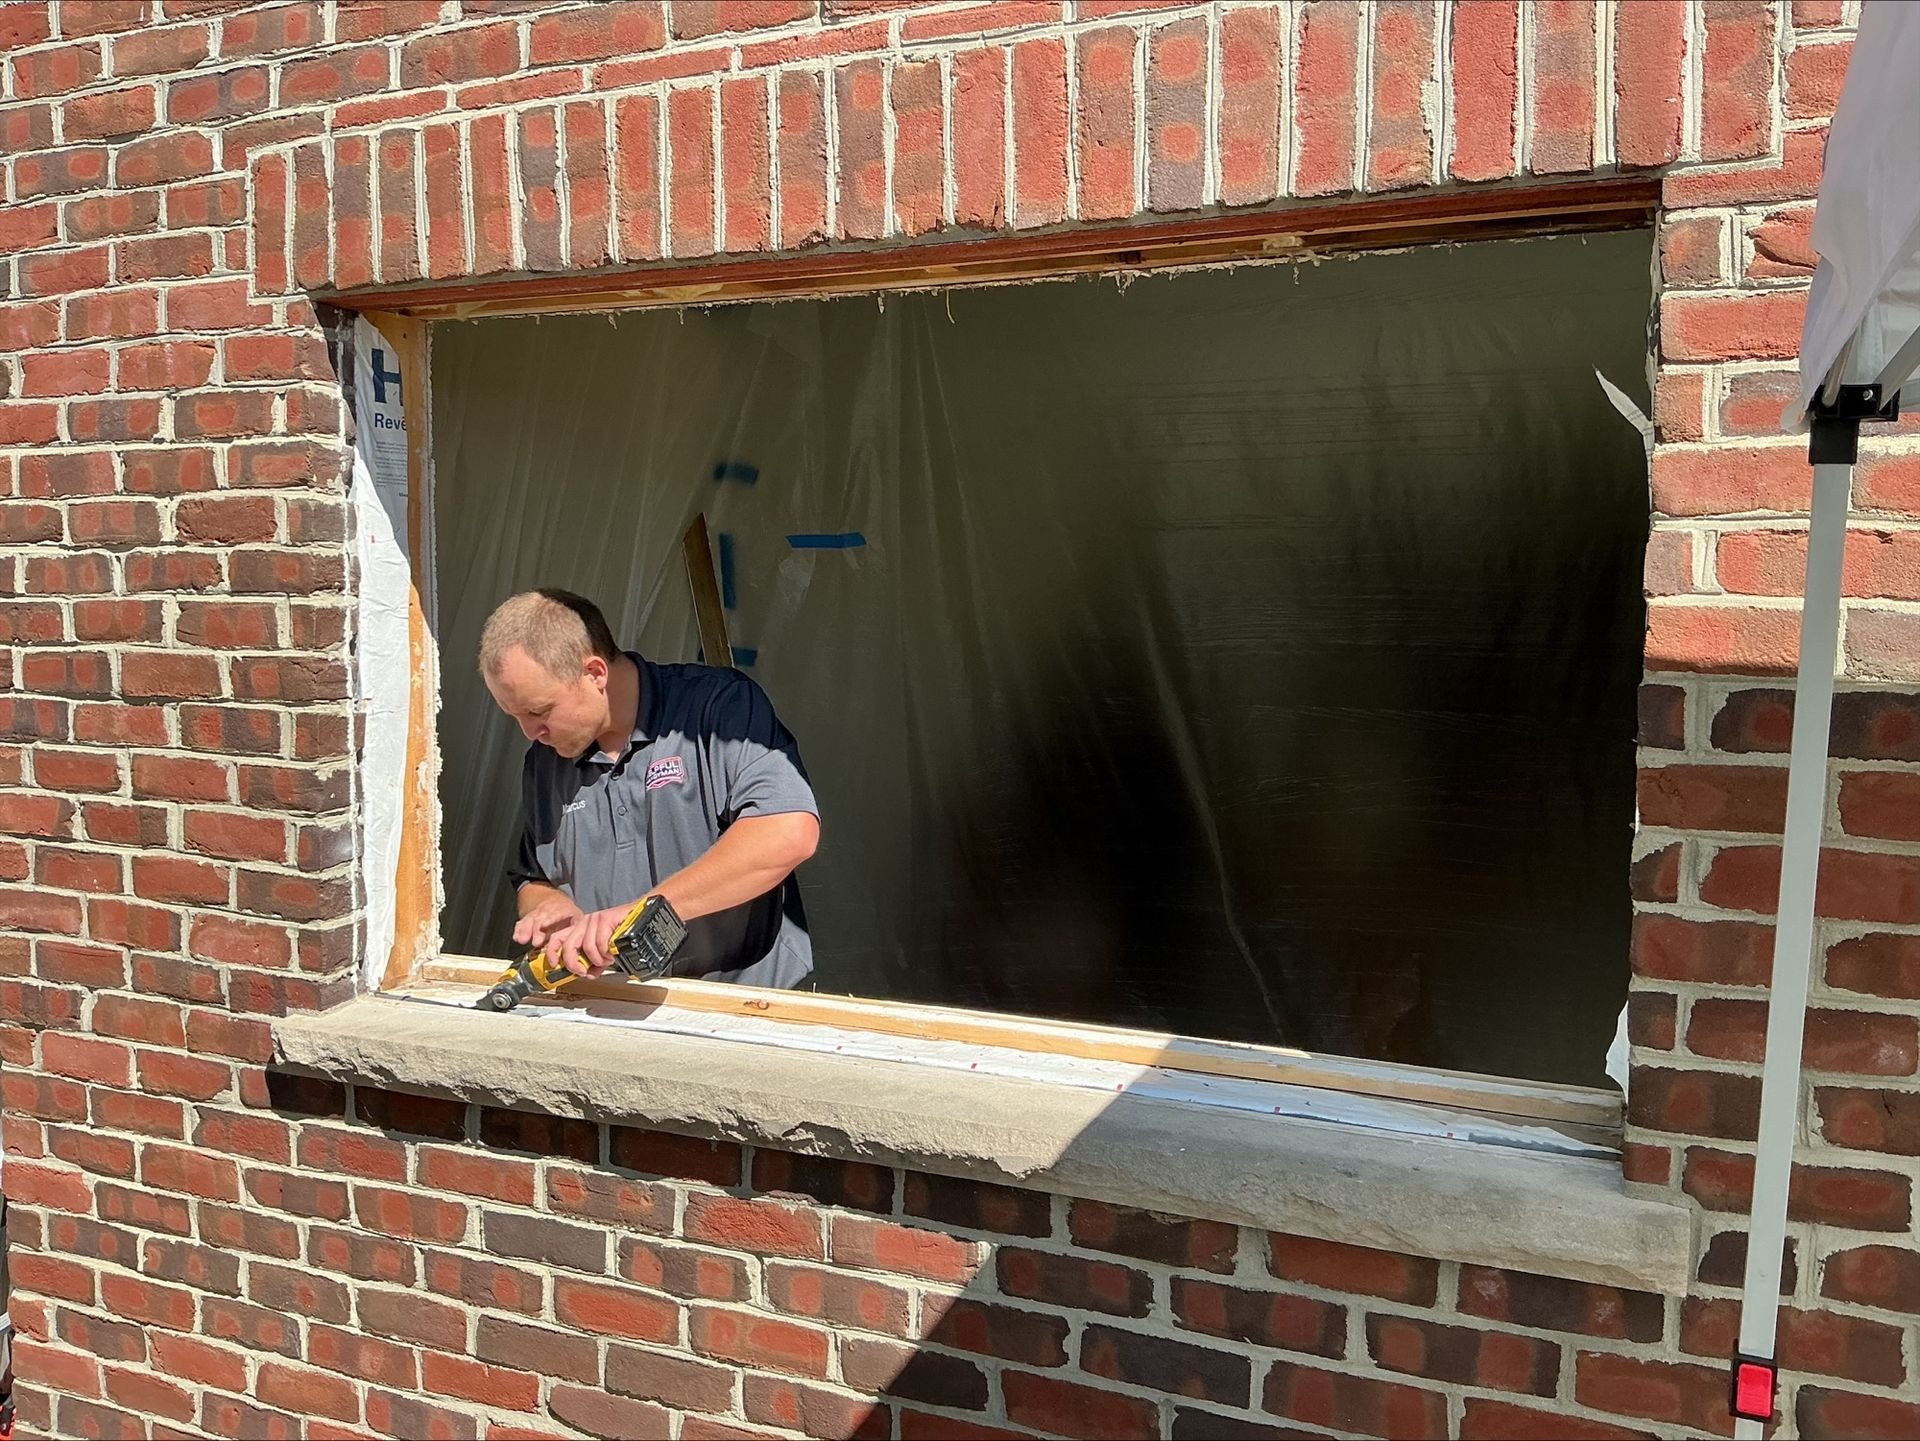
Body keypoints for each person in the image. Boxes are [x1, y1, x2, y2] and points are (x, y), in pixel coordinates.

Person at [479, 588, 819, 987]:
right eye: (514, 716)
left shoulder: (717, 709)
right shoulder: (544, 760)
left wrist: (644, 912)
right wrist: (550, 907)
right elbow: (532, 876)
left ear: (594, 673)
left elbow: (788, 832)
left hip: (742, 1007)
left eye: (539, 711)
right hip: (611, 1009)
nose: (529, 732)